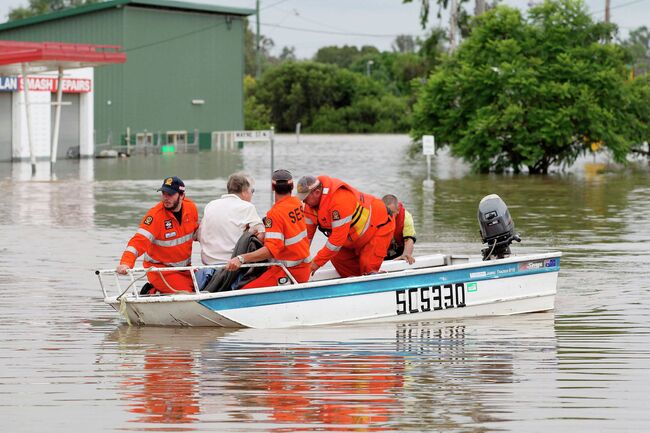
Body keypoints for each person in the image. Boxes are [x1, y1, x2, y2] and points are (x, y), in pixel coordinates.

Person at [225, 169, 311, 288]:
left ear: (272, 187)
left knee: (244, 290)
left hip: (289, 272)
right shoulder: (298, 204)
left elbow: (272, 250)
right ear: (292, 187)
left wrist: (241, 258)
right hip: (304, 267)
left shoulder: (275, 214)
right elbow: (288, 231)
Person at [296, 175, 395, 278]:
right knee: (336, 258)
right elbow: (305, 238)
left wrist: (314, 264)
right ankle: (355, 287)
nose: (304, 201)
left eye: (305, 198)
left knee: (368, 266)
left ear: (316, 193)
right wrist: (297, 265)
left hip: (379, 226)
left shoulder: (340, 200)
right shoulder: (309, 206)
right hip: (352, 238)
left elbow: (336, 241)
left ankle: (370, 282)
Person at [116, 176, 199, 294]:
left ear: (181, 195)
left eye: (170, 194)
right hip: (160, 270)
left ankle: (155, 290)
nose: (165, 198)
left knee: (203, 287)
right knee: (186, 294)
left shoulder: (191, 208)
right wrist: (126, 263)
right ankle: (152, 291)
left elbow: (196, 232)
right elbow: (138, 241)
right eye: (164, 193)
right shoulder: (155, 216)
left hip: (184, 268)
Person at [196, 172, 264, 287]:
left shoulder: (211, 205)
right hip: (232, 270)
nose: (252, 195)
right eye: (252, 191)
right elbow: (262, 237)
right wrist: (250, 233)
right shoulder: (247, 207)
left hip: (206, 270)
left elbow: (200, 234)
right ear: (244, 191)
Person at [382, 194, 416, 264]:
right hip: (382, 251)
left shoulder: (406, 217)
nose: (388, 216)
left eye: (391, 213)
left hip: (399, 250)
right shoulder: (375, 216)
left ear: (397, 210)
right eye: (385, 213)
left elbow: (409, 239)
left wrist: (406, 254)